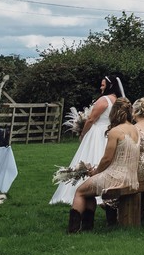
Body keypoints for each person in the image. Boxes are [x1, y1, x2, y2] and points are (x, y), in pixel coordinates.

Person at [51, 75, 123, 205]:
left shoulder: (104, 99)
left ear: (110, 85)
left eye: (103, 85)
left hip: (97, 133)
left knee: (89, 155)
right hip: (108, 131)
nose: (101, 87)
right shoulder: (117, 100)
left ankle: (81, 189)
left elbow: (91, 119)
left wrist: (83, 133)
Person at [68, 98, 138, 233]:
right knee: (89, 192)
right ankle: (87, 227)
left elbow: (107, 159)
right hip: (130, 175)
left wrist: (96, 172)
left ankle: (73, 229)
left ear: (114, 113)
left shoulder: (115, 131)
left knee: (80, 191)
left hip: (116, 176)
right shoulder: (135, 129)